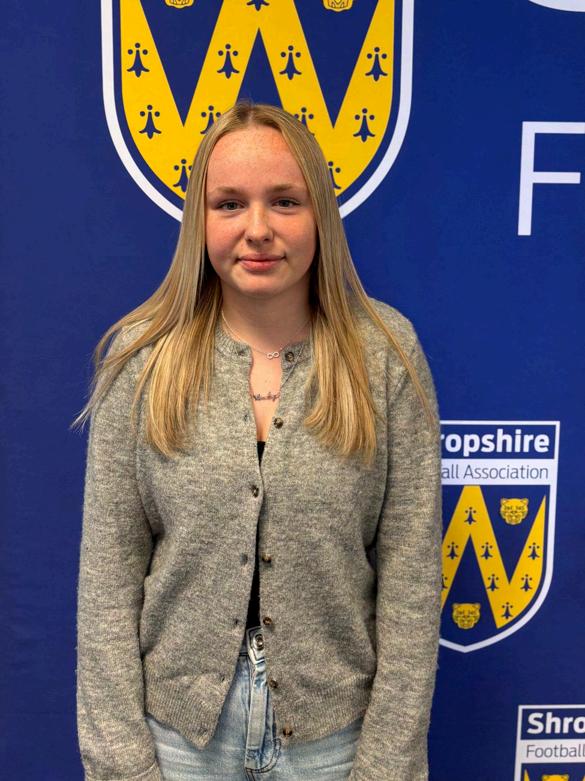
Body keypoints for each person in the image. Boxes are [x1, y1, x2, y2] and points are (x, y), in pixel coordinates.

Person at [72, 99, 443, 781]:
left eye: (285, 201)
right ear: (200, 220)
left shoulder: (385, 354)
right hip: (176, 742)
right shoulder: (142, 358)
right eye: (230, 204)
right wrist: (122, 763)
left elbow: (412, 582)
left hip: (336, 741)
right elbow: (107, 581)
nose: (259, 229)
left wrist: (387, 765)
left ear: (320, 215)